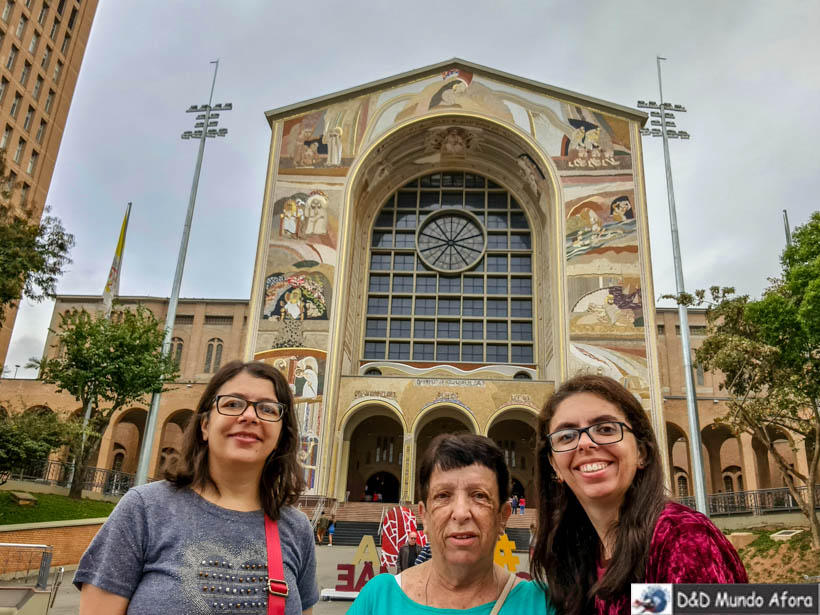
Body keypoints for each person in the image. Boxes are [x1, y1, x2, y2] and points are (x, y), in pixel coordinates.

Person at [74, 360, 319, 615]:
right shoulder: (145, 509)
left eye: (267, 409)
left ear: (281, 435)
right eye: (232, 404)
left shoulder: (295, 528)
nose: (248, 416)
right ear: (204, 426)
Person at [531, 374, 747, 615]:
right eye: (567, 436)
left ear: (642, 452)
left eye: (605, 428)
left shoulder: (681, 539)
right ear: (554, 466)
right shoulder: (582, 554)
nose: (584, 443)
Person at [349, 433, 555, 615]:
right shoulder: (378, 600)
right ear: (425, 516)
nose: (460, 513)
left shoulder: (540, 605)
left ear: (503, 516)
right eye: (443, 495)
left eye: (479, 495)